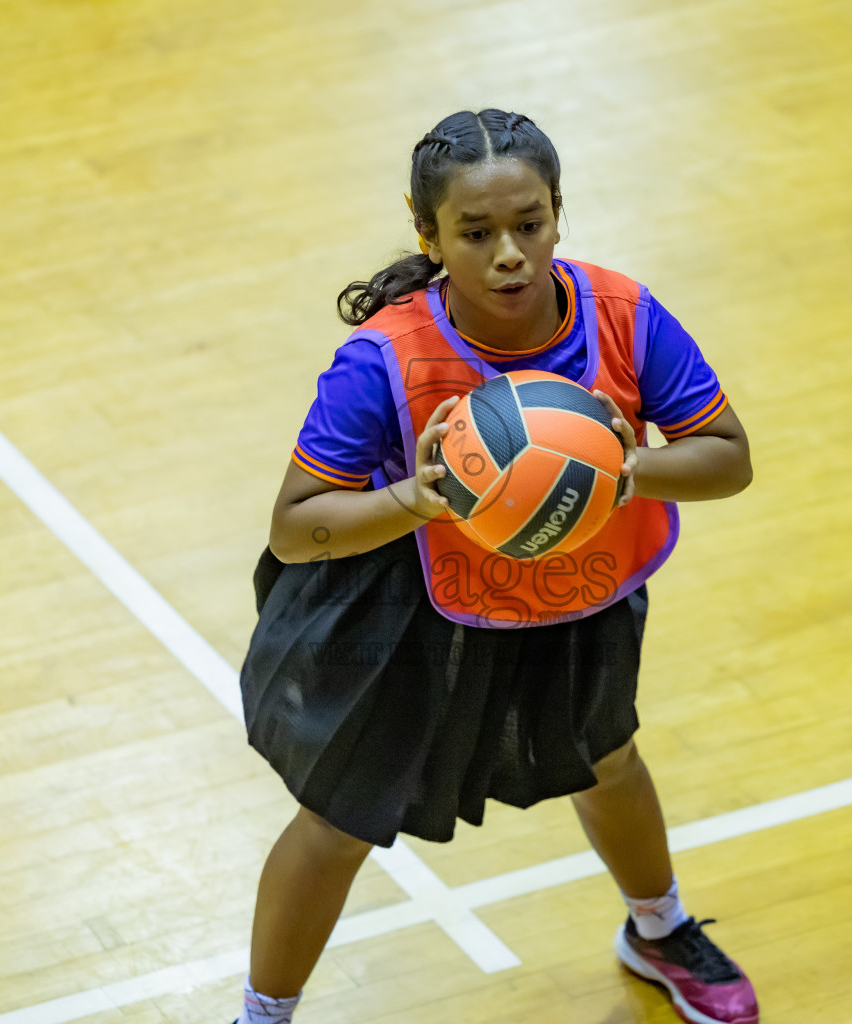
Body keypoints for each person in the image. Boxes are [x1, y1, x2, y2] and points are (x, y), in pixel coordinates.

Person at [234, 109, 757, 1024]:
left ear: (559, 211)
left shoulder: (624, 315)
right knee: (337, 822)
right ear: (425, 230)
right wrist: (416, 500)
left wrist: (622, 467)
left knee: (610, 757)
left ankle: (658, 927)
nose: (509, 253)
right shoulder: (384, 359)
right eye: (476, 234)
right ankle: (260, 1015)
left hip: (574, 595)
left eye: (530, 224)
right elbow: (293, 526)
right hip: (414, 614)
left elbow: (728, 457)